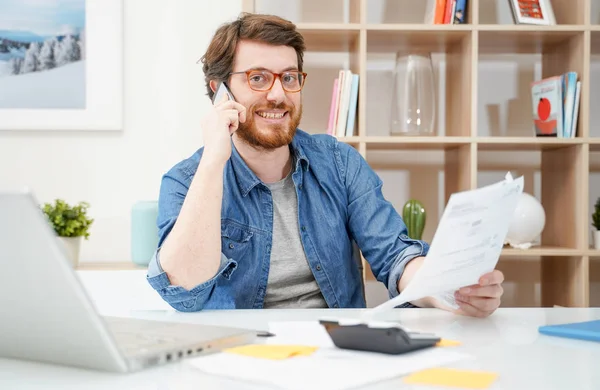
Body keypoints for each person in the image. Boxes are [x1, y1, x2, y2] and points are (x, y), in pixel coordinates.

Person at [146, 12, 504, 317]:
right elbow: (184, 289)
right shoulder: (187, 180)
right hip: (238, 356)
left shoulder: (338, 163)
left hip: (337, 353)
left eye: (288, 77)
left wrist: (450, 289)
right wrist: (214, 159)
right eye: (257, 78)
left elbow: (395, 257)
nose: (277, 94)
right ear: (220, 90)